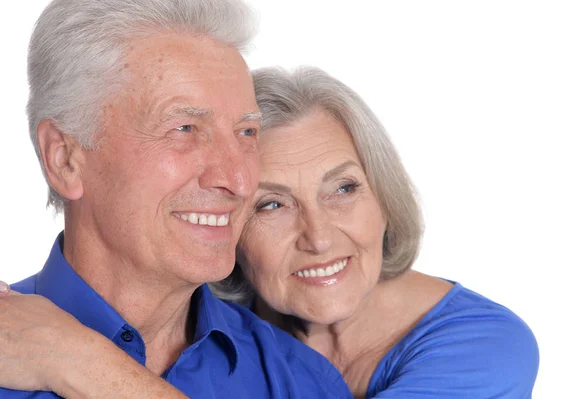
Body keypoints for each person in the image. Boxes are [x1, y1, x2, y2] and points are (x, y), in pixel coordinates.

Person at [0, 64, 539, 398]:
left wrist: (78, 360)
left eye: (344, 189)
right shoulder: (215, 322)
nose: (319, 237)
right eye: (273, 204)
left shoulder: (486, 345)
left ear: (385, 196)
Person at [0, 0, 354, 398]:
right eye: (185, 129)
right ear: (64, 158)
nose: (238, 180)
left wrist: (82, 362)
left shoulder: (302, 381)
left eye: (247, 133)